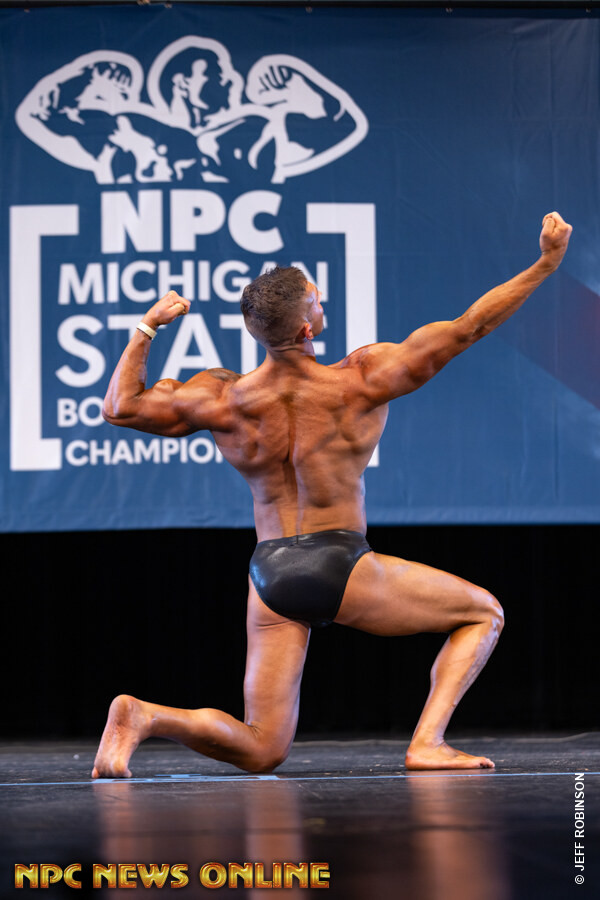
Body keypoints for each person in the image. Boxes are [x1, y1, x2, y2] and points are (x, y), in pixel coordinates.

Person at [92, 211, 572, 778]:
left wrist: (147, 327)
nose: (323, 304)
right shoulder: (360, 379)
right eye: (317, 301)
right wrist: (545, 264)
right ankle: (427, 742)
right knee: (482, 613)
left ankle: (144, 715)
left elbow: (120, 407)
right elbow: (470, 327)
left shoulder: (221, 397)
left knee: (263, 747)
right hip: (339, 561)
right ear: (306, 329)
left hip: (270, 573)